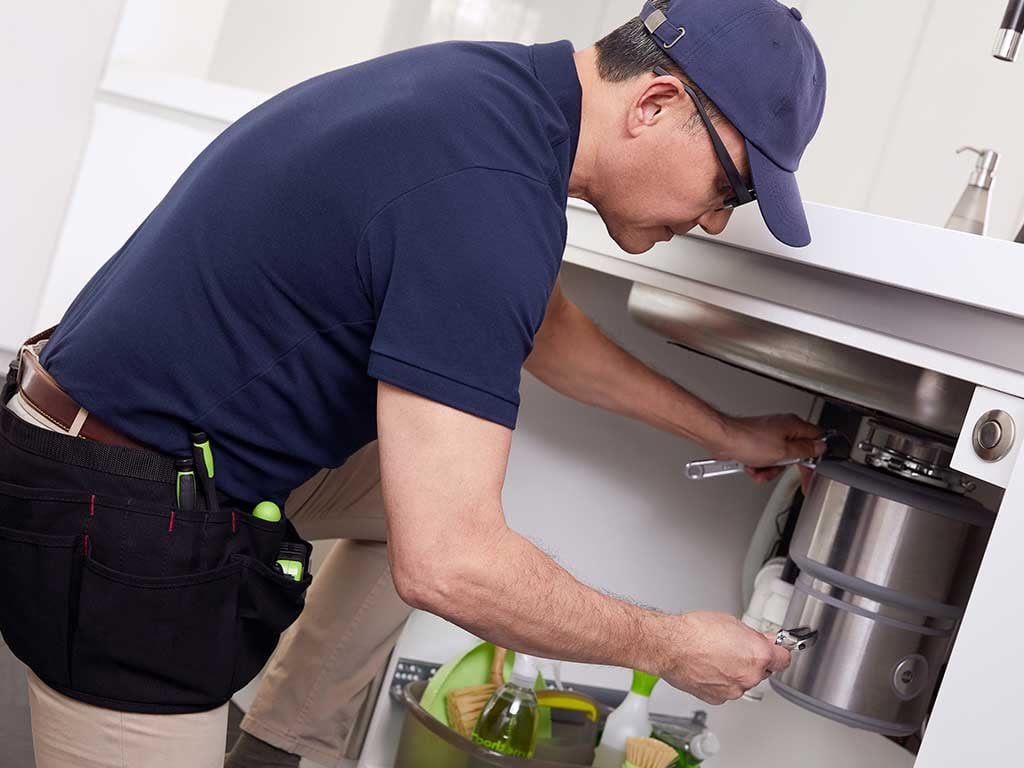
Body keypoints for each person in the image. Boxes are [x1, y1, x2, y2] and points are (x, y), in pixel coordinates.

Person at [0, 0, 826, 765]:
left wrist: (725, 431)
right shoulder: (487, 203)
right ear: (654, 104)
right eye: (732, 186)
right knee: (456, 535)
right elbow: (453, 566)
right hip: (114, 516)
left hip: (118, 443)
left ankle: (279, 746)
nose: (716, 220)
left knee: (416, 501)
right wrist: (672, 646)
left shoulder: (495, 99)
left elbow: (545, 330)